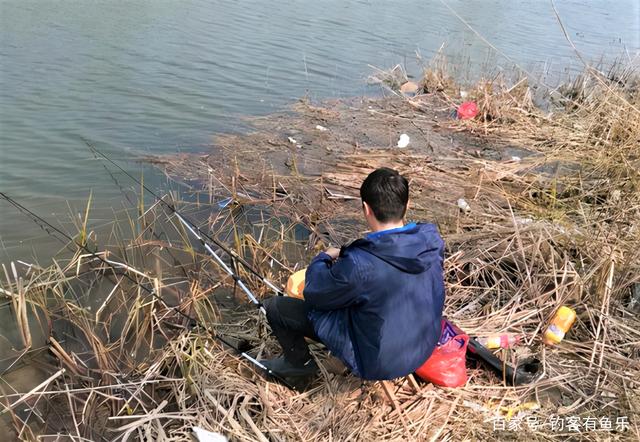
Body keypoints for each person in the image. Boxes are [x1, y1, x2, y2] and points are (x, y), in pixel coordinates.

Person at [260, 167, 445, 383]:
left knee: (276, 308)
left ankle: (298, 366)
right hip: (423, 347)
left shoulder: (361, 264)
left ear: (366, 208)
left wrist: (323, 259)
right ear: (407, 204)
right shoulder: (431, 241)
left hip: (379, 362)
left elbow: (315, 292)